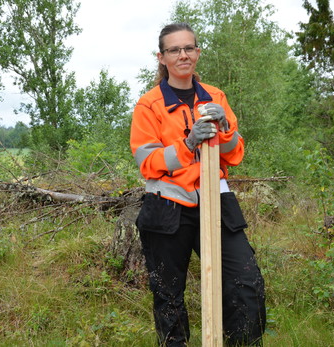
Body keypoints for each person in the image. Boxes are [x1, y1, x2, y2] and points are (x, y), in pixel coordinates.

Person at [130, 22, 266, 346]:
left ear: (198, 53)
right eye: (174, 50)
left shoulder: (215, 97)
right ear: (161, 57)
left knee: (246, 284)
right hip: (167, 208)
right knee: (169, 298)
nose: (183, 55)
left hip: (215, 201)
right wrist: (187, 145)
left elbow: (234, 156)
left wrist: (226, 128)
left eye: (189, 48)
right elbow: (147, 162)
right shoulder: (149, 105)